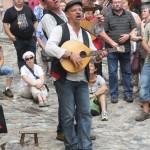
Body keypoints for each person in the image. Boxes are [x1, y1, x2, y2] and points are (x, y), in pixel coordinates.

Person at [45, 0, 107, 149]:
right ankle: (71, 145)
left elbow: (91, 54)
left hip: (82, 80)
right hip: (64, 80)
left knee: (85, 114)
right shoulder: (60, 30)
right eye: (74, 10)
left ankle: (85, 146)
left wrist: (99, 56)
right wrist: (68, 54)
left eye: (80, 10)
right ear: (67, 14)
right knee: (67, 115)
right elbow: (49, 47)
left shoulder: (86, 34)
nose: (79, 12)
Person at [40, 0, 68, 141]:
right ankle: (62, 131)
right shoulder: (47, 18)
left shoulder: (63, 13)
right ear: (44, 3)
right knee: (65, 100)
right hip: (61, 63)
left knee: (75, 100)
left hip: (72, 61)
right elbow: (56, 41)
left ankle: (78, 128)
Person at [103, 0, 136, 103]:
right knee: (112, 72)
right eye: (115, 2)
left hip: (125, 49)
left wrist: (128, 35)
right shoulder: (107, 16)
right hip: (112, 50)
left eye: (119, 2)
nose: (117, 4)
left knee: (126, 72)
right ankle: (114, 94)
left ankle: (128, 93)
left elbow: (134, 28)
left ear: (122, 3)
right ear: (112, 4)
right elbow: (103, 32)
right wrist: (112, 42)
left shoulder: (129, 14)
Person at [3, 0, 38, 70]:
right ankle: (23, 73)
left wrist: (36, 33)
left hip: (30, 38)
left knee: (32, 56)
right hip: (18, 39)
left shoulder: (28, 9)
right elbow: (5, 24)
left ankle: (34, 72)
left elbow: (35, 21)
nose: (19, 0)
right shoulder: (9, 11)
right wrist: (10, 35)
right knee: (22, 57)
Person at [135, 22, 150, 121]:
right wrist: (149, 51)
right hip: (149, 61)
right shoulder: (149, 25)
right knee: (143, 84)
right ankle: (145, 111)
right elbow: (144, 41)